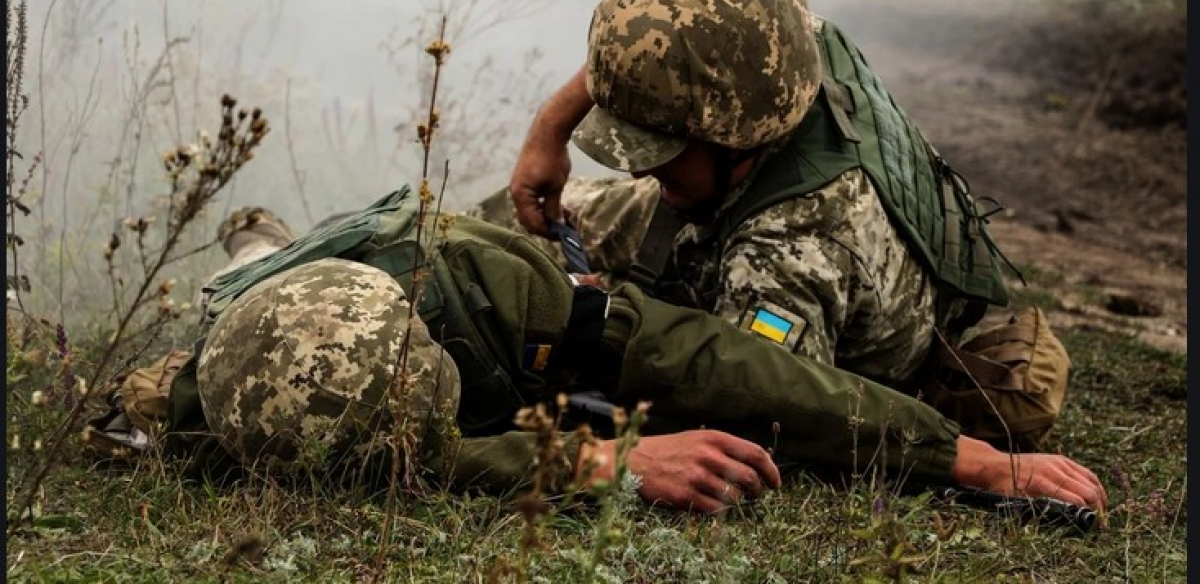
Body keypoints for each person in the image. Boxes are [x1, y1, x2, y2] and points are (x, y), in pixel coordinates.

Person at [143, 186, 1104, 516]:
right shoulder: (207, 411)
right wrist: (599, 462)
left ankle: (263, 228)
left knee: (276, 242)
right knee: (250, 264)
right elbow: (428, 457)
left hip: (432, 267)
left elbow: (716, 362)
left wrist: (962, 455)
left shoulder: (492, 288)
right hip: (265, 308)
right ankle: (255, 235)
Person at [484, 0, 1070, 450]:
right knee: (499, 234)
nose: (642, 173)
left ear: (732, 131)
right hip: (731, 196)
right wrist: (550, 130)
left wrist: (599, 317)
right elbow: (655, 49)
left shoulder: (790, 252)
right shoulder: (775, 46)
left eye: (661, 150)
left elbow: (753, 412)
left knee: (537, 305)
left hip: (793, 292)